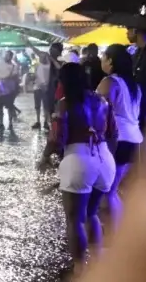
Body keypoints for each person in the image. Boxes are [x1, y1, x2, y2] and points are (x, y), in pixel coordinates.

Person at [38, 63, 117, 276]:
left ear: (64, 81)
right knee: (92, 213)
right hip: (104, 159)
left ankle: (81, 269)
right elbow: (113, 133)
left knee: (75, 220)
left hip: (78, 159)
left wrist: (45, 157)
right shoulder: (102, 100)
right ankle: (100, 264)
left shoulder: (65, 104)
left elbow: (57, 139)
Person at [96, 44, 143, 231]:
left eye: (103, 57)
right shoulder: (134, 86)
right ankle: (118, 230)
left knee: (108, 191)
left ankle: (120, 233)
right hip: (133, 140)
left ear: (110, 61)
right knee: (112, 190)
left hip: (117, 140)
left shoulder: (109, 82)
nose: (101, 61)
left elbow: (99, 111)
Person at [127, 28, 146, 132]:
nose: (126, 33)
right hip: (139, 109)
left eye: (128, 30)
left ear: (135, 31)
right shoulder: (138, 52)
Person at [0, 51, 20, 130]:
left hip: (9, 89)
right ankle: (1, 123)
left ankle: (10, 123)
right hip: (0, 88)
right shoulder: (0, 63)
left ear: (11, 57)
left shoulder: (14, 66)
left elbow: (15, 76)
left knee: (9, 107)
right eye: (6, 55)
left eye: (8, 56)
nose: (7, 57)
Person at [32, 53, 51, 130]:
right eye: (40, 57)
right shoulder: (37, 66)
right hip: (37, 88)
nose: (41, 58)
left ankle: (45, 122)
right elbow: (35, 76)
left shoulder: (50, 66)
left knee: (46, 106)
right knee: (37, 106)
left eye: (43, 57)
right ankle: (38, 121)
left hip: (46, 88)